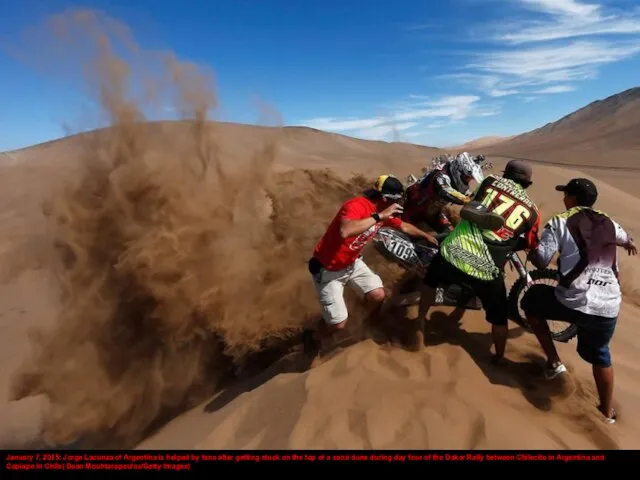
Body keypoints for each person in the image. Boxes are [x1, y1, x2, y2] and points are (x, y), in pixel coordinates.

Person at [521, 178, 637, 424]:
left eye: (566, 195)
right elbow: (626, 238)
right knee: (601, 354)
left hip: (574, 300)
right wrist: (628, 244)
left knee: (531, 300)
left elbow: (542, 261)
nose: (563, 199)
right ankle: (607, 413)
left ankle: (554, 363)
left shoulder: (559, 221)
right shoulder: (609, 221)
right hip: (609, 305)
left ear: (572, 198)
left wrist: (531, 250)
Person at [416, 159, 541, 358]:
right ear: (527, 183)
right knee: (499, 318)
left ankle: (420, 324)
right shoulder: (533, 212)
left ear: (505, 173)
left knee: (430, 281)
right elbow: (532, 244)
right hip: (488, 268)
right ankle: (499, 357)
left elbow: (472, 204)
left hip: (455, 252)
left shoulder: (489, 182)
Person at [303, 174, 439, 353]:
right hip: (329, 271)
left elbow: (403, 226)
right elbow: (346, 231)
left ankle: (369, 325)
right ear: (385, 198)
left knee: (377, 295)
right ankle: (314, 336)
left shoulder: (383, 210)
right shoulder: (357, 206)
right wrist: (380, 216)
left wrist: (426, 236)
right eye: (396, 199)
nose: (398, 202)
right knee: (338, 324)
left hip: (352, 263)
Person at [403, 152, 484, 234]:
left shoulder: (451, 176)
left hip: (433, 213)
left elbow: (466, 195)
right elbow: (446, 191)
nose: (468, 181)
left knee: (450, 233)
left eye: (470, 179)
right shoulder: (441, 175)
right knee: (420, 239)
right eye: (467, 178)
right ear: (458, 170)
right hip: (411, 211)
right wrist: (469, 201)